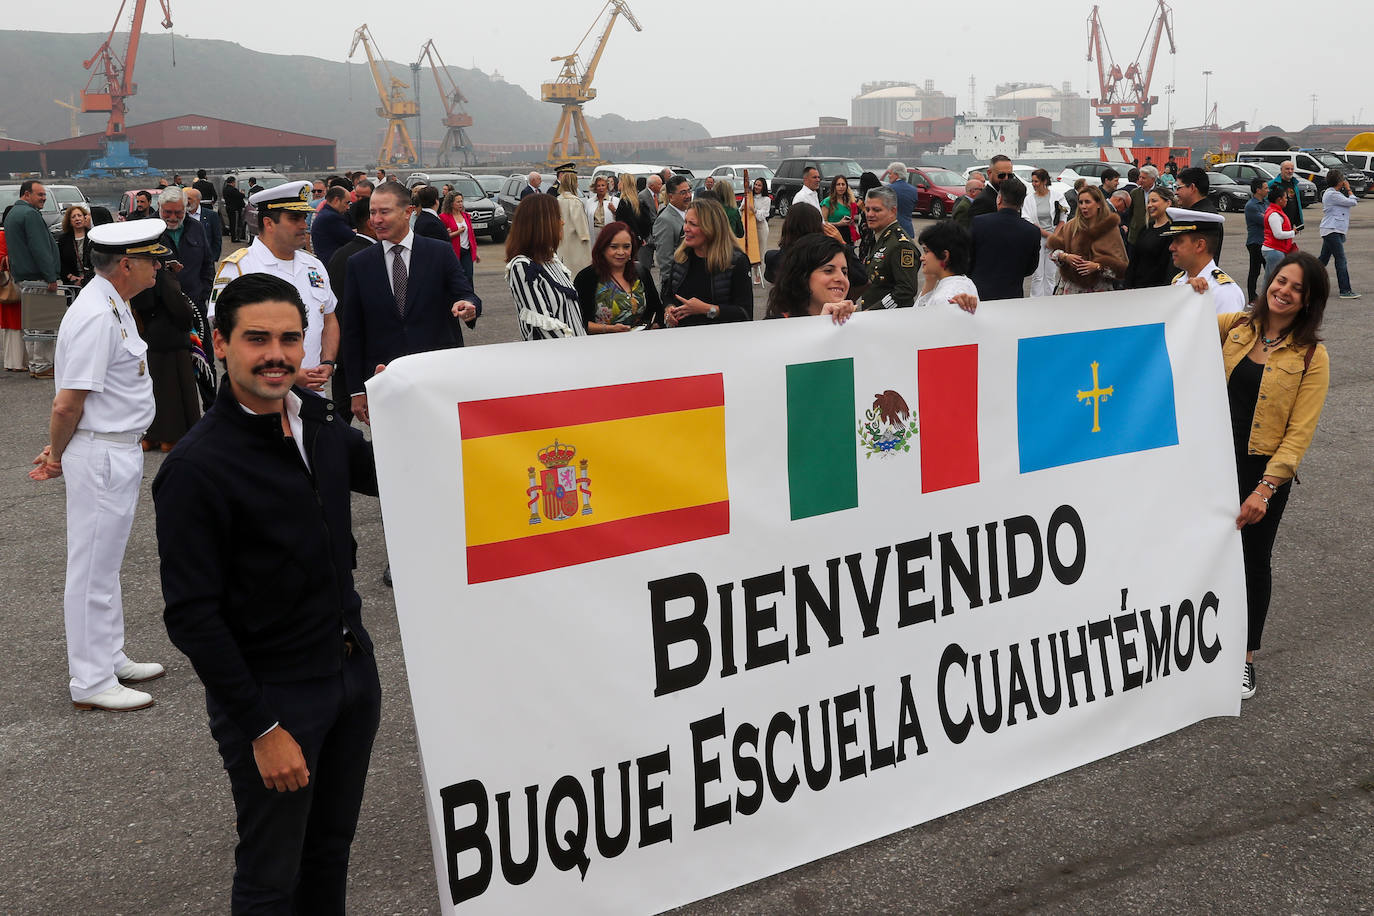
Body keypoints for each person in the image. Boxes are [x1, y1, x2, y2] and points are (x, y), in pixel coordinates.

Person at [153, 272, 383, 911]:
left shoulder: (316, 421)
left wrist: (414, 402)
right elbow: (192, 616)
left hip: (349, 677)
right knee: (270, 876)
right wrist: (261, 728)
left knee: (329, 854)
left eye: (290, 338)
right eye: (257, 339)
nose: (277, 354)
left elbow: (389, 473)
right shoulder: (197, 469)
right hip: (274, 698)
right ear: (220, 344)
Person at [29, 219, 168, 712]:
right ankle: (90, 681)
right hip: (101, 451)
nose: (159, 266)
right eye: (152, 259)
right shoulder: (95, 314)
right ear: (127, 264)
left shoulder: (114, 302)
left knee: (106, 564)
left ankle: (110, 656)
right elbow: (67, 403)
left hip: (117, 448)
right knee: (90, 568)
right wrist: (57, 454)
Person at [1208, 251, 1329, 699]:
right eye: (1281, 281)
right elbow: (1171, 321)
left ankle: (1244, 657)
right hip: (1210, 461)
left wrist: (1265, 489)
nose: (1284, 291)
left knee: (1251, 562)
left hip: (1261, 473)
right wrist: (1194, 295)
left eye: (1297, 288)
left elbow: (1299, 434)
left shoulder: (1312, 356)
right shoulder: (1237, 326)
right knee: (1200, 550)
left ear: (1308, 300)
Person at [342, 180, 480, 425]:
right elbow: (352, 331)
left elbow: (466, 293)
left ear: (407, 212)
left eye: (384, 212)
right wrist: (356, 390)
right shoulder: (358, 263)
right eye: (373, 212)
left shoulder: (439, 252)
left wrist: (468, 307)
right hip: (386, 381)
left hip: (438, 378)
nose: (376, 220)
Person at [211, 182, 339, 399]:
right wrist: (287, 374)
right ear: (269, 223)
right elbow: (225, 335)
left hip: (313, 395)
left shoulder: (314, 266)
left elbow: (329, 319)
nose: (303, 225)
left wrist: (327, 362)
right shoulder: (239, 267)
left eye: (304, 217)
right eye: (294, 219)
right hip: (260, 395)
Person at [505, 192, 587, 341]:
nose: (562, 222)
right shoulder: (523, 267)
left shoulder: (552, 260)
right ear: (542, 224)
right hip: (558, 358)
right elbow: (545, 329)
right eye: (557, 217)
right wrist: (578, 351)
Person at [661, 197, 753, 326]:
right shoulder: (681, 257)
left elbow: (745, 314)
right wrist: (668, 310)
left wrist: (707, 310)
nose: (686, 228)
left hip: (720, 339)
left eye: (693, 224)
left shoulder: (736, 262)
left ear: (711, 228)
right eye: (685, 222)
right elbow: (668, 295)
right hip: (682, 339)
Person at [4, 180, 62, 377]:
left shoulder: (12, 214)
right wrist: (51, 276)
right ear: (27, 194)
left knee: (32, 323)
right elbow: (40, 249)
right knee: (44, 324)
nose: (44, 198)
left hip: (23, 278)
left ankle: (36, 365)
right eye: (40, 194)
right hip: (39, 278)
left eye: (44, 195)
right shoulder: (30, 214)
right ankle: (43, 366)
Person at [574, 220, 662, 332]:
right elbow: (577, 322)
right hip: (601, 346)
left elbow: (657, 310)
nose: (621, 252)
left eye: (626, 247)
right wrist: (609, 329)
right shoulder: (586, 278)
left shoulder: (641, 272)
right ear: (602, 248)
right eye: (614, 247)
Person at [1045, 185, 1127, 295]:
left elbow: (1121, 267)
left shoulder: (1110, 229)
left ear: (1098, 204)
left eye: (1087, 202)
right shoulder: (1071, 226)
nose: (1083, 206)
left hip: (1100, 290)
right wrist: (1066, 257)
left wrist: (1098, 266)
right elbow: (1053, 253)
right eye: (1081, 202)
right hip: (1072, 288)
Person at [1164, 208, 1246, 314]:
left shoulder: (1224, 292)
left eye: (1179, 241)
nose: (1171, 247)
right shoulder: (1178, 281)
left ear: (1200, 245)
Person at [970, 177, 1040, 301]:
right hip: (1013, 293)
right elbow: (1031, 267)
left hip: (980, 292)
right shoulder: (1032, 231)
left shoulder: (979, 223)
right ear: (1022, 203)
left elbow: (968, 258)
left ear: (999, 198)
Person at [764, 233, 857, 322]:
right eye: (828, 271)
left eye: (844, 272)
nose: (841, 278)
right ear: (802, 275)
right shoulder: (772, 328)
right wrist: (821, 325)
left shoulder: (854, 325)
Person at [857, 186, 920, 310]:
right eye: (867, 209)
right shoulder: (879, 237)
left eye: (876, 210)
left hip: (890, 320)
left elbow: (906, 290)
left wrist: (876, 310)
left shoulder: (900, 245)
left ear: (893, 211)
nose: (869, 214)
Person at [158, 187, 213, 313]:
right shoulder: (148, 229)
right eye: (167, 212)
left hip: (195, 303)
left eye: (178, 212)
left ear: (185, 208)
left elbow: (207, 263)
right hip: (160, 309)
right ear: (159, 206)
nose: (173, 217)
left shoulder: (196, 227)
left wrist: (203, 293)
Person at [913, 220, 980, 312]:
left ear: (944, 256)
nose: (922, 258)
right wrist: (929, 281)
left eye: (926, 251)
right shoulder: (967, 282)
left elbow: (917, 320)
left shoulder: (944, 298)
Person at [1021, 169, 1068, 297]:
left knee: (1050, 274)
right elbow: (1028, 220)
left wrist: (1054, 237)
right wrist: (1048, 236)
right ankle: (1036, 300)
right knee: (1038, 275)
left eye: (1036, 181)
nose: (1034, 184)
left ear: (1044, 181)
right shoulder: (1029, 199)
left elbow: (1063, 217)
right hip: (1037, 238)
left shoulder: (1057, 196)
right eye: (1032, 181)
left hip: (1054, 238)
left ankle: (1050, 299)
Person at [1124, 185, 1176, 289]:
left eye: (1154, 201)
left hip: (1156, 290)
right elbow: (1134, 260)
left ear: (1168, 203)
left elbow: (1168, 267)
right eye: (1148, 202)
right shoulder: (1146, 229)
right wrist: (1128, 285)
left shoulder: (1173, 231)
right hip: (1137, 288)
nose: (1149, 205)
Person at [1317, 168, 1359, 299]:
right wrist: (1349, 189)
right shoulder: (1332, 194)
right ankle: (1345, 290)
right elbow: (1353, 201)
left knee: (1322, 260)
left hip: (1334, 230)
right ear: (1339, 181)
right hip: (1332, 230)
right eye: (1343, 179)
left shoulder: (1334, 193)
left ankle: (1306, 278)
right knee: (1341, 260)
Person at [1175, 167, 1224, 262]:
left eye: (1178, 188)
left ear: (1192, 188)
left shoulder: (1202, 217)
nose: (1176, 192)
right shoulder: (1197, 212)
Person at [652, 175, 692, 281]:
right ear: (671, 197)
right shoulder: (665, 220)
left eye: (689, 191)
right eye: (683, 193)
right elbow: (665, 259)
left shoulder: (689, 213)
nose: (688, 195)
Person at [554, 165, 592, 277]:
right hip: (576, 245)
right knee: (578, 275)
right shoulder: (574, 202)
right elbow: (582, 229)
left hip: (562, 243)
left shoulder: (558, 200)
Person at [440, 190, 479, 285]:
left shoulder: (466, 216)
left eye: (461, 201)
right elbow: (443, 237)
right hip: (453, 252)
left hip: (467, 251)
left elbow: (471, 235)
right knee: (456, 277)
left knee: (469, 277)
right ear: (451, 203)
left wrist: (475, 251)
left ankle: (470, 298)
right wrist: (457, 232)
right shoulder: (443, 217)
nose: (461, 204)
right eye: (458, 202)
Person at [1260, 185, 1297, 285]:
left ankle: (1265, 299)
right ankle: (1265, 300)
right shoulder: (1274, 215)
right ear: (1279, 200)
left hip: (1276, 250)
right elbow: (1278, 234)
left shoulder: (1276, 212)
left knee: (1270, 278)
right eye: (1285, 198)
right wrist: (1293, 232)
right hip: (1274, 250)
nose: (1287, 200)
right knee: (1272, 280)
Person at [310, 186, 355, 268]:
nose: (348, 207)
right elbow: (352, 238)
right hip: (333, 266)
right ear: (336, 200)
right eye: (346, 203)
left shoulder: (325, 214)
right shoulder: (332, 218)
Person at [0, 225, 24, 371]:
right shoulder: (5, 235)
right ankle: (16, 362)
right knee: (15, 323)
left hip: (7, 285)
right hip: (11, 284)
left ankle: (16, 361)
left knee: (13, 324)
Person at [1243, 178, 1269, 304]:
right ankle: (1252, 298)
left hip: (1266, 241)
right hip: (1255, 242)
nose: (1267, 190)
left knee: (1269, 269)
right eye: (1265, 188)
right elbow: (1266, 220)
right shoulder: (1251, 206)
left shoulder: (1266, 203)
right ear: (1258, 190)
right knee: (1255, 271)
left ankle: (1268, 295)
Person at [57, 203, 95, 287]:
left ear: (85, 218)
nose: (77, 218)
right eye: (73, 217)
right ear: (69, 222)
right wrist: (70, 276)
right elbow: (59, 261)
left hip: (92, 281)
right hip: (72, 283)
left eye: (79, 215)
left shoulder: (93, 236)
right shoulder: (64, 239)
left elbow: (98, 261)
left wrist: (85, 278)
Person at [184, 187, 223, 266]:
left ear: (198, 200)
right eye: (185, 199)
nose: (186, 202)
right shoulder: (181, 215)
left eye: (189, 199)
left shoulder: (211, 215)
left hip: (205, 260)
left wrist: (213, 257)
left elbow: (217, 238)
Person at [615, 173, 652, 250]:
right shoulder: (636, 201)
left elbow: (629, 222)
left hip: (627, 239)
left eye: (619, 181)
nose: (618, 184)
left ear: (623, 183)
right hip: (637, 239)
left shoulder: (624, 202)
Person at [884, 163, 920, 239]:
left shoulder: (888, 189)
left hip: (892, 230)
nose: (888, 176)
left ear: (896, 175)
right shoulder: (913, 190)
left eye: (890, 173)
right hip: (908, 230)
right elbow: (913, 206)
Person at [1267, 161, 1304, 233]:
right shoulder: (1272, 184)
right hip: (1278, 221)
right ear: (1281, 170)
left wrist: (1299, 222)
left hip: (1290, 221)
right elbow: (1265, 202)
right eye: (1287, 169)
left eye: (1292, 169)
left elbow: (1297, 204)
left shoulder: (1294, 184)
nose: (1290, 171)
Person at [821, 175, 859, 243]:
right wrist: (838, 223)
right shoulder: (827, 202)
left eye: (843, 184)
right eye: (838, 184)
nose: (841, 187)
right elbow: (823, 224)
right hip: (832, 236)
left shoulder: (849, 201)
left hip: (847, 235)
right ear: (834, 187)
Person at [1127, 165, 1158, 247]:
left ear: (1153, 179)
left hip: (1153, 235)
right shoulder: (1134, 193)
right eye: (1140, 177)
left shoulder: (1161, 193)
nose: (1140, 180)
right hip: (1135, 235)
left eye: (1143, 178)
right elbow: (1129, 213)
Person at [748, 177, 772, 284]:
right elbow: (742, 210)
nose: (757, 187)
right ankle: (752, 273)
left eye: (759, 185)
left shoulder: (766, 200)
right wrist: (743, 208)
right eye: (756, 185)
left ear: (763, 187)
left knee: (761, 252)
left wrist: (754, 210)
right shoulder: (749, 197)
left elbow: (763, 216)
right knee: (751, 251)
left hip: (761, 228)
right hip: (750, 227)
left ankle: (759, 275)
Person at [584, 175, 619, 245]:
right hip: (593, 233)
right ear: (595, 188)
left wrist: (614, 210)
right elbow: (585, 220)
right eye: (598, 186)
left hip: (609, 233)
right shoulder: (589, 202)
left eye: (603, 185)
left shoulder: (615, 201)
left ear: (607, 186)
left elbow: (620, 218)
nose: (601, 188)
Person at [222, 177, 247, 242]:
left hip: (228, 207)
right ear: (232, 182)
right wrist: (242, 193)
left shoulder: (225, 189)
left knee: (231, 223)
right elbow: (241, 196)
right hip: (234, 209)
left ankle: (233, 237)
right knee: (235, 223)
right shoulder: (233, 190)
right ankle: (235, 238)